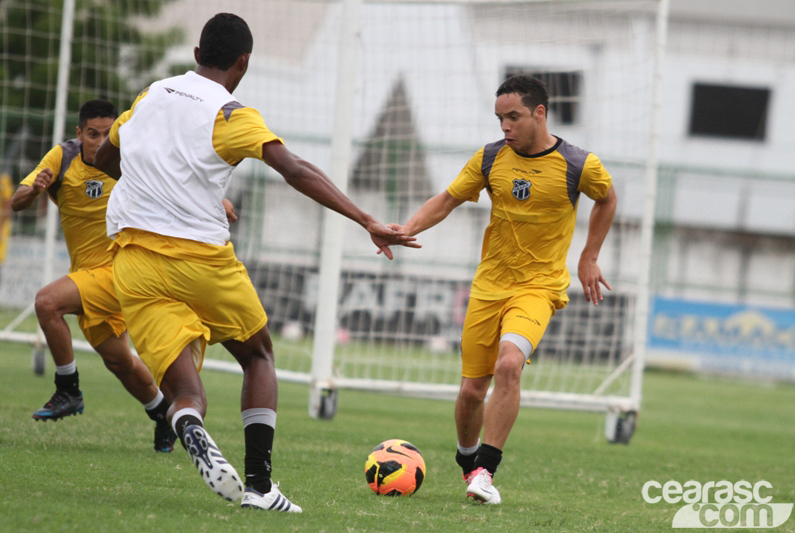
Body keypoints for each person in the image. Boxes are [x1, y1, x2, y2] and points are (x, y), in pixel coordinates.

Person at [93, 13, 418, 513]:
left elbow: (106, 161)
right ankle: (260, 487)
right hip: (200, 259)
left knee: (184, 390)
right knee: (258, 354)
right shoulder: (231, 114)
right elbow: (295, 169)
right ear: (243, 62)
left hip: (132, 261)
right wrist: (364, 218)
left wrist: (168, 185)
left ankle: (187, 424)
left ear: (197, 54)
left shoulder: (152, 94)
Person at [390, 75, 617, 504]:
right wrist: (405, 228)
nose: (505, 126)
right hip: (489, 287)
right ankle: (468, 460)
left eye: (513, 117)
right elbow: (446, 199)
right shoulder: (491, 158)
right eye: (499, 118)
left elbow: (607, 198)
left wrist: (589, 256)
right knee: (471, 391)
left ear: (539, 113)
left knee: (510, 365)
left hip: (539, 287)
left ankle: (486, 474)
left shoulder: (577, 164)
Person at [11, 99, 177, 453]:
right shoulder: (62, 158)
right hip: (86, 275)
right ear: (79, 133)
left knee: (47, 303)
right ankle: (164, 414)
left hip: (121, 270)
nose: (101, 141)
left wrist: (216, 203)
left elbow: (174, 185)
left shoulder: (130, 158)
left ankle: (68, 389)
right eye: (93, 134)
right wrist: (36, 190)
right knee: (121, 363)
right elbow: (17, 201)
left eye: (107, 133)